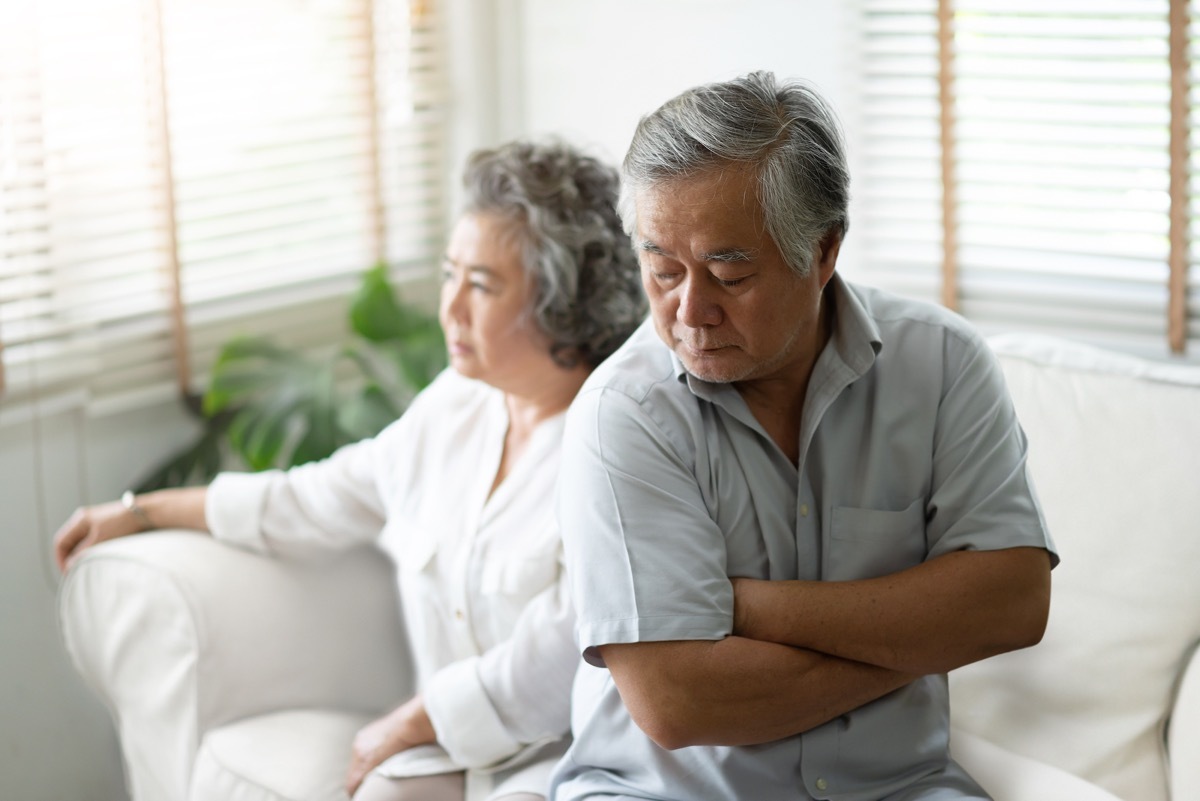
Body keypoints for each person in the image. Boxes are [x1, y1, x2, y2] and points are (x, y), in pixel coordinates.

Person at [53, 139, 646, 801]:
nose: (450, 307)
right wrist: (145, 510)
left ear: (561, 300)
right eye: (451, 274)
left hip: (567, 752)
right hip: (455, 748)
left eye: (481, 285)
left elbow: (564, 648)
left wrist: (415, 717)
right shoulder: (455, 406)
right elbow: (313, 498)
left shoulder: (613, 440)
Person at [550, 71, 1058, 801]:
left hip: (899, 787)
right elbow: (679, 702)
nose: (690, 310)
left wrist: (746, 605)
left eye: (729, 273)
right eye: (662, 269)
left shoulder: (942, 363)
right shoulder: (622, 413)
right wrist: (919, 636)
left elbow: (1013, 603)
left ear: (822, 252)